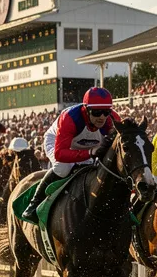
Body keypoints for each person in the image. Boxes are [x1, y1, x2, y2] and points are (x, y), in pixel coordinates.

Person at [21, 87, 122, 221]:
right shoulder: (70, 118)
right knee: (62, 168)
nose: (102, 117)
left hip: (89, 145)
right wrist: (90, 153)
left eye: (106, 112)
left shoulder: (113, 120)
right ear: (86, 109)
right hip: (59, 142)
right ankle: (33, 204)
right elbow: (60, 154)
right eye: (97, 112)